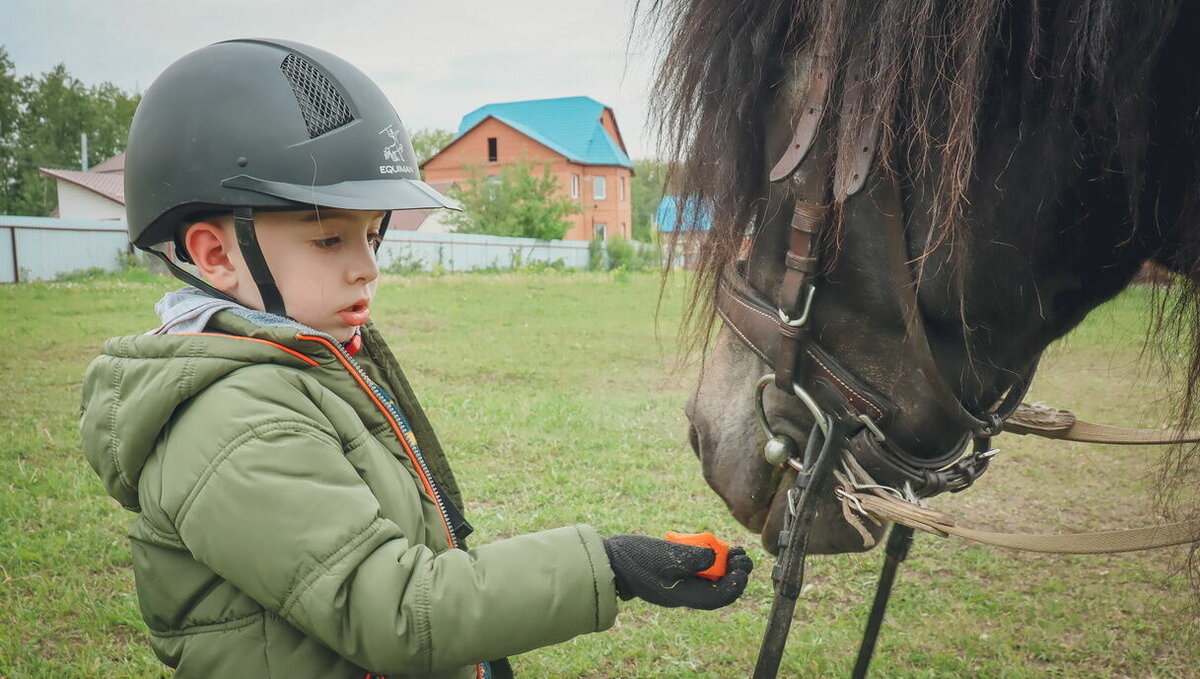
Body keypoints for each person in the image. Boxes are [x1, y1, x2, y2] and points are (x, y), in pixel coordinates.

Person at [79, 38, 752, 679]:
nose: (366, 269)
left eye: (372, 237)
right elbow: (397, 609)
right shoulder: (234, 422)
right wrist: (607, 566)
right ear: (216, 255)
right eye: (327, 240)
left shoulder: (302, 368)